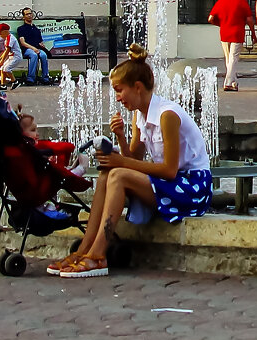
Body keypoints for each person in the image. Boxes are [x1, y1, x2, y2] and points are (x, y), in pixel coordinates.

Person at [47, 44, 212, 279]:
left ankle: (97, 255)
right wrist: (121, 139)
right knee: (108, 173)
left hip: (192, 187)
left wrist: (118, 162)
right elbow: (134, 159)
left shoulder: (167, 116)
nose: (117, 98)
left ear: (137, 87)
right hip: (169, 184)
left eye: (119, 90)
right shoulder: (139, 114)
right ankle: (85, 250)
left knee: (117, 173)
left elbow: (169, 170)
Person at [207, 0, 256, 92]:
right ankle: (228, 83)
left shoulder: (221, 2)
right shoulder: (242, 2)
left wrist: (220, 24)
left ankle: (234, 82)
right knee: (233, 58)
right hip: (237, 33)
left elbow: (210, 18)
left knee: (228, 58)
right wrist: (253, 33)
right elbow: (249, 20)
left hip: (224, 32)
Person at [16, 7, 52, 85]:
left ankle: (45, 77)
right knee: (34, 55)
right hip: (27, 49)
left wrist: (41, 45)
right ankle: (30, 78)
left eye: (30, 13)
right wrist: (33, 48)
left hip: (37, 48)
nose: (29, 15)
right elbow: (22, 42)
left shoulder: (36, 29)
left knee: (43, 55)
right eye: (27, 14)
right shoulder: (21, 29)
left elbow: (40, 41)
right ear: (23, 17)